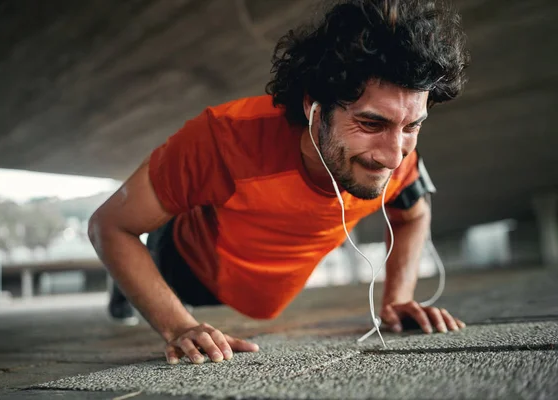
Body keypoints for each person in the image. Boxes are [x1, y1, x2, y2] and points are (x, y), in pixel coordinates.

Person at [88, 0, 470, 365]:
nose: (391, 156)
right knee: (139, 253)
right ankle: (124, 287)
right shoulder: (223, 139)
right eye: (371, 124)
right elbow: (109, 225)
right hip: (184, 264)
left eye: (412, 126)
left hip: (262, 296)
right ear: (313, 107)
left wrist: (398, 300)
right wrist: (178, 325)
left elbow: (413, 216)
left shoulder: (400, 157)